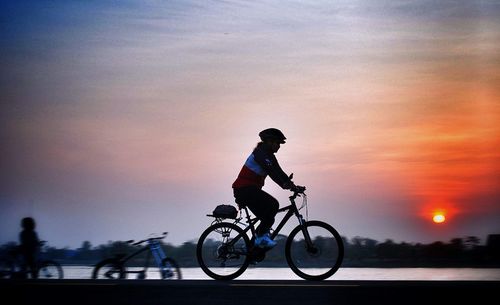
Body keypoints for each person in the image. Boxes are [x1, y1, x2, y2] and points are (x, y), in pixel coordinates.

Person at [232, 128, 304, 248]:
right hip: (244, 189)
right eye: (277, 143)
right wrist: (285, 185)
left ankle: (253, 249)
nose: (279, 146)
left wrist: (292, 185)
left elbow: (278, 171)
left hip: (249, 190)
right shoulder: (260, 154)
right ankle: (260, 238)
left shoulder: (269, 156)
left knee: (268, 217)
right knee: (273, 205)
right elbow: (272, 172)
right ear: (269, 141)